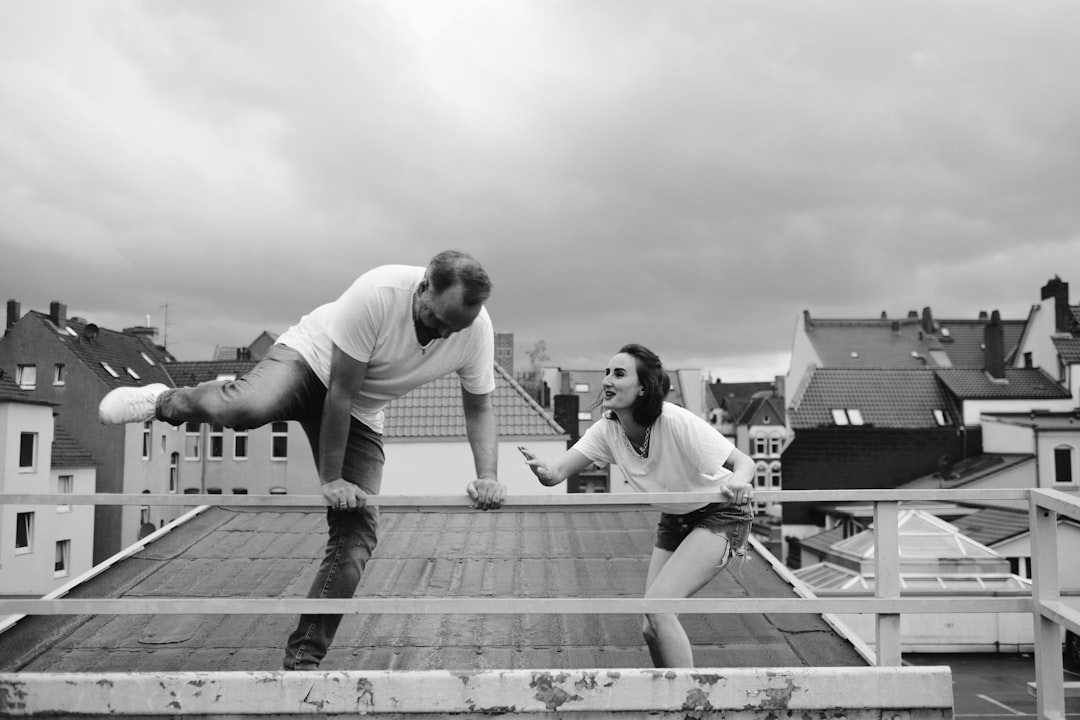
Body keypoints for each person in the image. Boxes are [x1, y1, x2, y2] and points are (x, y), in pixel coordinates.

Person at [98, 250, 506, 670]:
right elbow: (338, 392)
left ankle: (302, 662)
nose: (441, 334)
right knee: (247, 409)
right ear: (423, 288)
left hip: (361, 409)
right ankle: (163, 400)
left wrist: (488, 476)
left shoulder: (474, 331)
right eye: (437, 320)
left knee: (357, 536)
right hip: (310, 361)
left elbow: (478, 408)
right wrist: (331, 479)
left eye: (454, 328)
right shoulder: (378, 293)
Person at [518, 343, 754, 669]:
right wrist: (542, 471)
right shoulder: (606, 431)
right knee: (650, 626)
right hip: (675, 518)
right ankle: (666, 697)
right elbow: (556, 474)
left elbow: (743, 462)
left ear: (643, 387)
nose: (607, 381)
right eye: (606, 373)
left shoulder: (674, 421)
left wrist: (740, 482)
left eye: (619, 373)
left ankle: (690, 705)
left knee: (659, 608)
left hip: (721, 513)